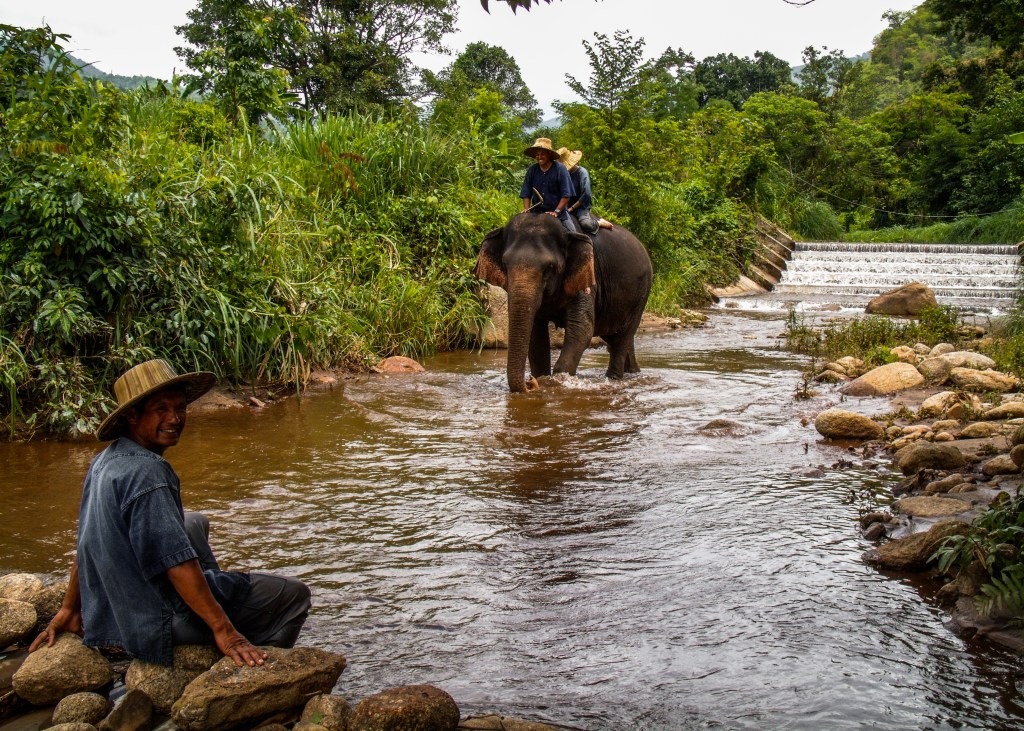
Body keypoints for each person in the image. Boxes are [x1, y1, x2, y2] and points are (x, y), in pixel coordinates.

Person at [30, 359, 311, 667]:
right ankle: (255, 662)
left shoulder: (104, 461)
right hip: (154, 621)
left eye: (180, 408)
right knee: (294, 595)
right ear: (133, 416)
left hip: (115, 609)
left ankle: (219, 607)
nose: (174, 419)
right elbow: (177, 563)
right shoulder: (148, 473)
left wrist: (70, 610)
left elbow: (87, 543)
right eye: (161, 409)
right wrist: (224, 630)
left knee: (194, 523)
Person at [519, 137, 576, 234]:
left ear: (549, 154)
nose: (539, 157)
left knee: (572, 233)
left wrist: (556, 211)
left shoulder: (560, 169)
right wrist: (527, 210)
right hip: (536, 212)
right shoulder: (532, 170)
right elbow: (526, 193)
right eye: (537, 154)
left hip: (558, 212)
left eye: (542, 154)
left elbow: (566, 194)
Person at [557, 147, 613, 235]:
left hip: (580, 206)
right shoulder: (563, 174)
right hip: (566, 205)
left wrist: (572, 208)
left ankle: (599, 223)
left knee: (586, 224)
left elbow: (586, 194)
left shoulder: (582, 172)